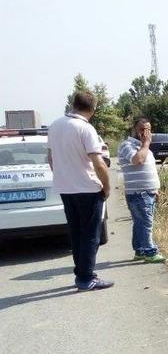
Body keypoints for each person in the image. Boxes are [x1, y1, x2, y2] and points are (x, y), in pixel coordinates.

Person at [47, 91, 114, 291]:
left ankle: (81, 273)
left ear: (73, 104)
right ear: (92, 109)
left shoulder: (55, 125)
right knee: (91, 235)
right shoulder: (85, 128)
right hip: (87, 188)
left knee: (76, 233)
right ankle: (86, 277)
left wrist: (64, 177)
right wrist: (107, 187)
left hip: (66, 189)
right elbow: (98, 162)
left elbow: (51, 159)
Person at [118, 117, 165, 263]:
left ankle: (139, 250)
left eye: (149, 129)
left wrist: (155, 188)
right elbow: (137, 160)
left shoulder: (144, 147)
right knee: (146, 223)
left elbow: (148, 168)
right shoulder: (127, 145)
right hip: (139, 193)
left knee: (140, 222)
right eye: (142, 129)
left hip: (148, 191)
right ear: (134, 130)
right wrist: (146, 144)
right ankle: (150, 252)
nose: (146, 132)